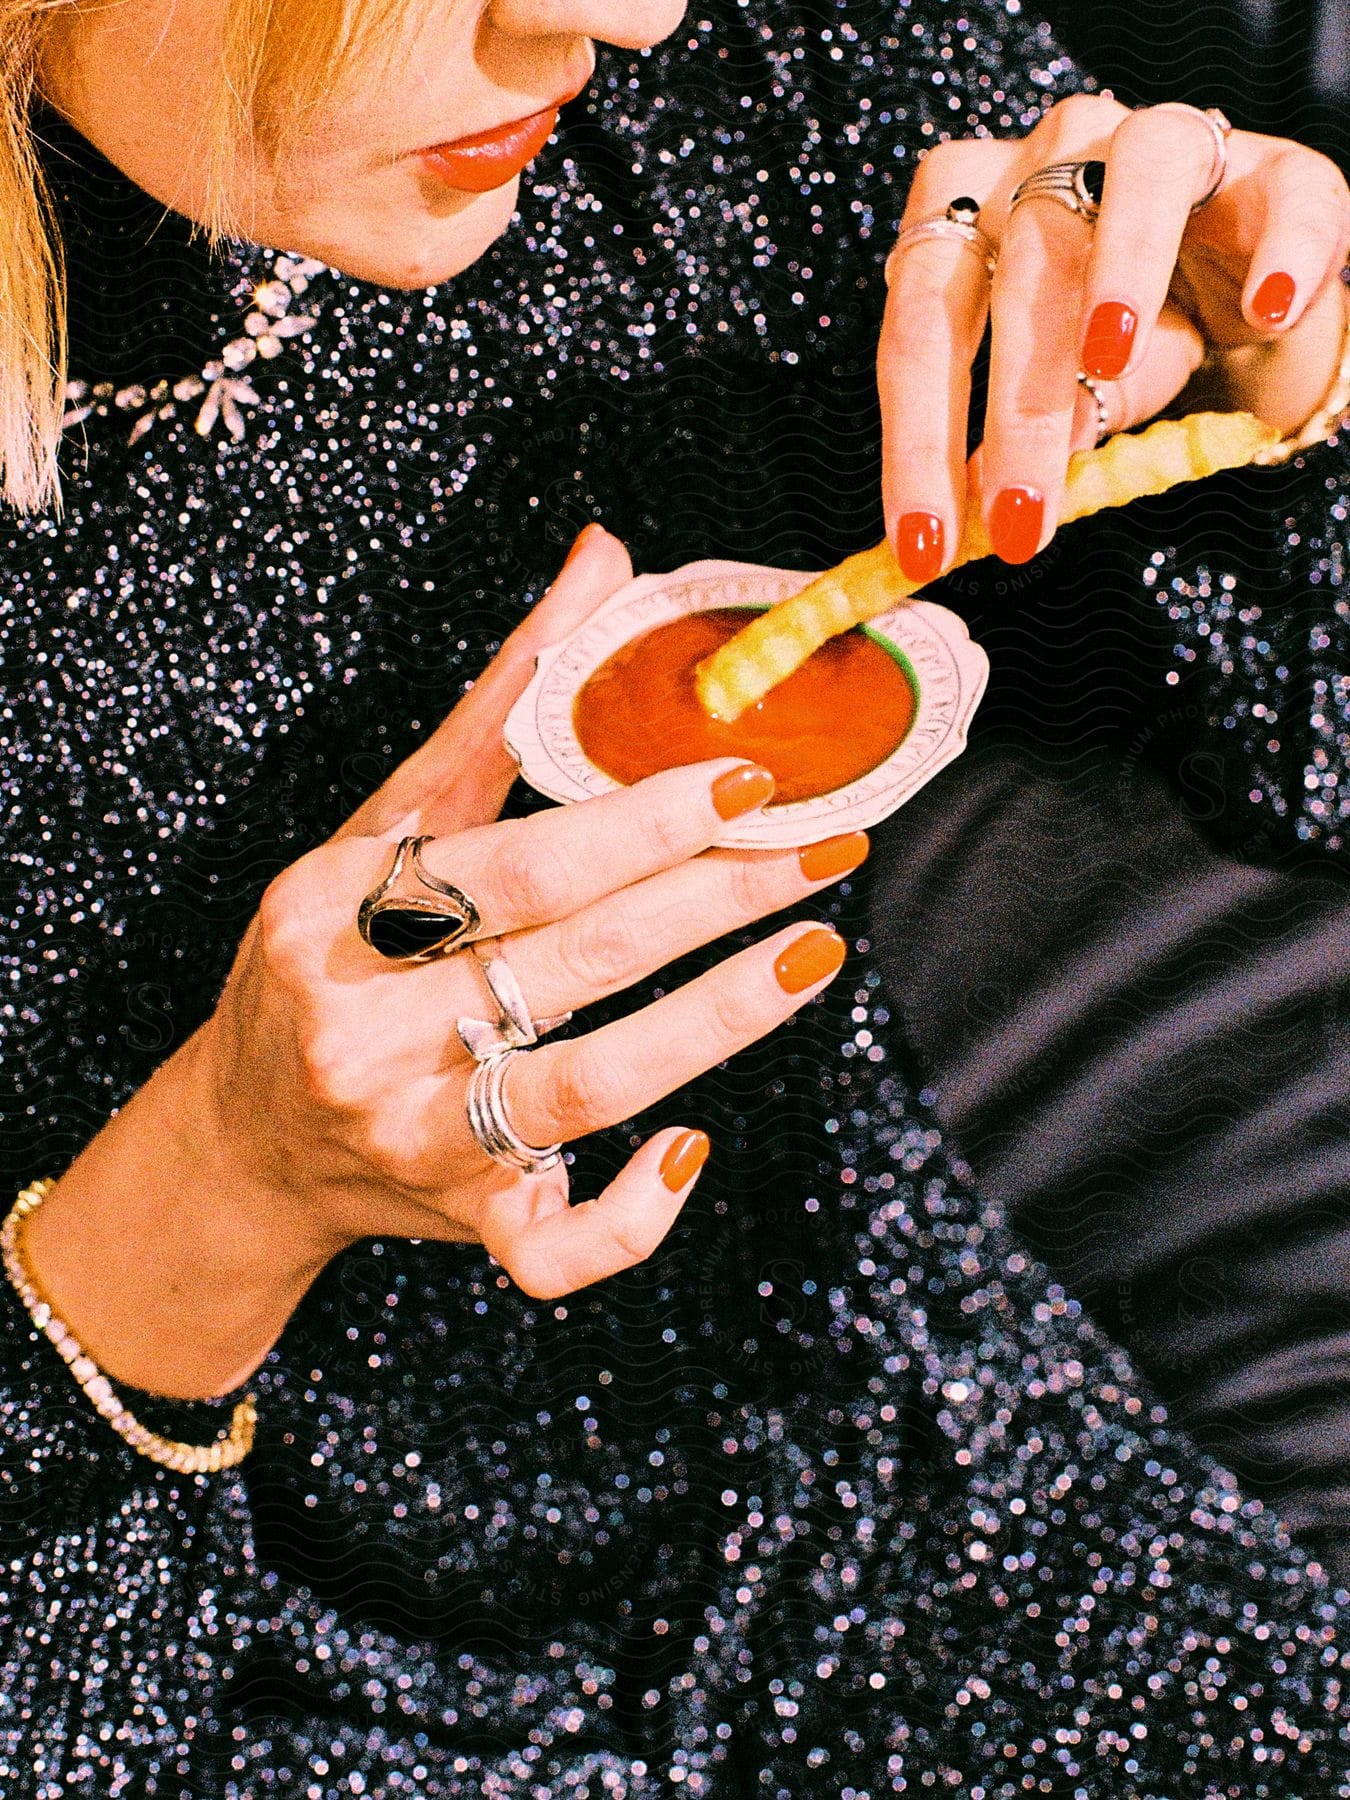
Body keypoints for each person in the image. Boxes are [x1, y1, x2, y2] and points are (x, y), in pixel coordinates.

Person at [0, 1, 1345, 1793]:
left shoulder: (754, 54)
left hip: (885, 1430)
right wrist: (215, 1201)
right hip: (204, 1651)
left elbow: (1313, 757)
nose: (620, 12)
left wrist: (1282, 384)